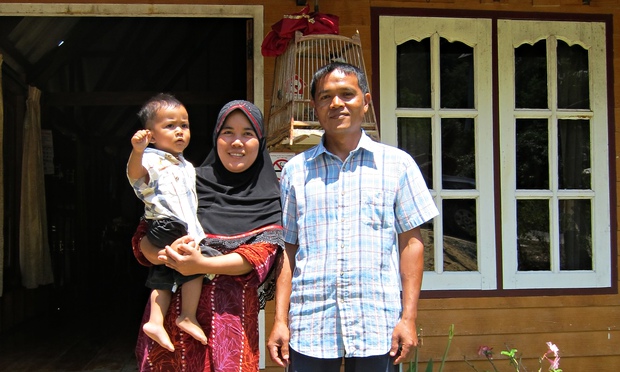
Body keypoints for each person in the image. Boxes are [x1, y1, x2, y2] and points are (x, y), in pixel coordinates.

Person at [267, 62, 439, 372]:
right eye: (325, 97)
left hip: (378, 324)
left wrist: (409, 319)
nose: (336, 104)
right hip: (311, 326)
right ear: (314, 107)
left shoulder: (397, 165)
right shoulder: (296, 172)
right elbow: (287, 250)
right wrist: (280, 320)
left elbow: (411, 244)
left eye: (347, 94)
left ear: (366, 102)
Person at [131, 99, 283, 372]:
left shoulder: (270, 197)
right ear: (216, 138)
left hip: (231, 324)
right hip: (170, 324)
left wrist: (201, 265)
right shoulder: (184, 180)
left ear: (260, 141)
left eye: (248, 133)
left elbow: (260, 255)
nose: (237, 142)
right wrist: (164, 255)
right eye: (228, 132)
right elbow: (145, 238)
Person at [128, 93, 221, 351]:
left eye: (184, 125)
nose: (179, 131)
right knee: (193, 263)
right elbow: (136, 176)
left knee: (166, 271)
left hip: (178, 226)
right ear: (151, 135)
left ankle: (156, 321)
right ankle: (187, 315)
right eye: (170, 126)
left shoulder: (186, 165)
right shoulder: (150, 157)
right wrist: (137, 151)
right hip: (166, 223)